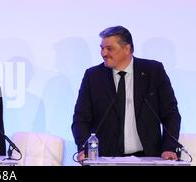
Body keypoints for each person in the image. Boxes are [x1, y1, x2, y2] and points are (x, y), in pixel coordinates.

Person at [72, 26, 181, 161]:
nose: (103, 53)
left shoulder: (153, 71)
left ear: (127, 48)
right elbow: (81, 119)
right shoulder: (93, 76)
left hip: (148, 157)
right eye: (102, 48)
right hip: (105, 158)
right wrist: (84, 149)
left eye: (109, 48)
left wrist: (169, 148)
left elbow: (171, 114)